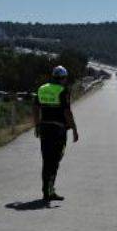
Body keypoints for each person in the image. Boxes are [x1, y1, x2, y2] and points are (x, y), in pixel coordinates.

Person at [33, 65, 79, 202]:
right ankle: (49, 191)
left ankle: (47, 190)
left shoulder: (42, 89)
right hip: (58, 130)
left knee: (46, 159)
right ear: (63, 78)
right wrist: (75, 129)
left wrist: (36, 125)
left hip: (45, 128)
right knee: (55, 160)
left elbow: (35, 108)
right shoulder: (63, 90)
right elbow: (67, 112)